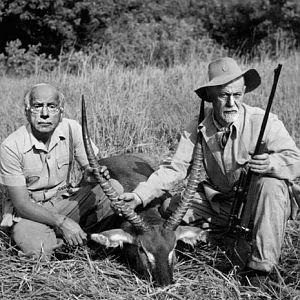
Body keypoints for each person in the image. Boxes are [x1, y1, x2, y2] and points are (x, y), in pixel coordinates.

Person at [119, 57, 300, 284]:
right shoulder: (198, 126)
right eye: (224, 96)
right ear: (212, 96)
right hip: (224, 201)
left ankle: (261, 269)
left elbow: (296, 160)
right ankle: (216, 238)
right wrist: (138, 195)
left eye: (237, 95)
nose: (231, 103)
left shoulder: (263, 121)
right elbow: (175, 168)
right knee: (169, 206)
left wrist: (272, 164)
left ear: (244, 91)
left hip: (262, 201)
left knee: (270, 184)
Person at [0, 83, 121, 259]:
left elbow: (90, 167)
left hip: (65, 200)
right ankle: (76, 241)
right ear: (27, 111)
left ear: (61, 111)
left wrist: (91, 174)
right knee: (37, 250)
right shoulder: (11, 146)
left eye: (52, 106)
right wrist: (62, 222)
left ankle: (71, 238)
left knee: (114, 189)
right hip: (32, 213)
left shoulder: (72, 128)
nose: (44, 114)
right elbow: (22, 205)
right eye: (37, 106)